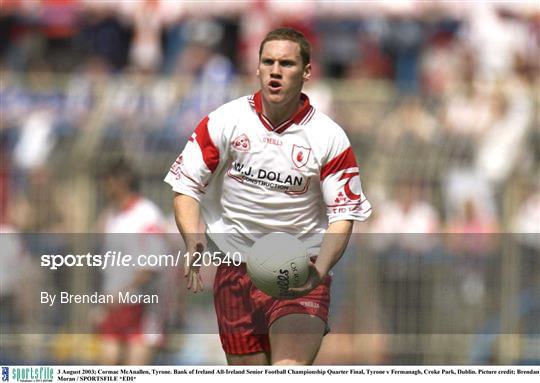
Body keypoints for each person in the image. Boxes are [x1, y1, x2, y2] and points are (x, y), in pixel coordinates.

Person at [164, 28, 372, 365]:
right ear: (257, 68)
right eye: (268, 62)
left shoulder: (329, 138)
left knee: (287, 368)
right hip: (234, 270)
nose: (276, 70)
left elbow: (342, 216)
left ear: (306, 72)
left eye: (287, 63)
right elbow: (186, 186)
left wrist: (319, 271)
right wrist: (192, 240)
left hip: (298, 269)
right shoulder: (224, 122)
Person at [97, 159, 166, 365]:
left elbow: (151, 267)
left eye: (107, 182)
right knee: (107, 364)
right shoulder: (113, 216)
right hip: (115, 305)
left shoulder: (146, 215)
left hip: (140, 306)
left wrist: (123, 292)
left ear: (119, 183)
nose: (104, 188)